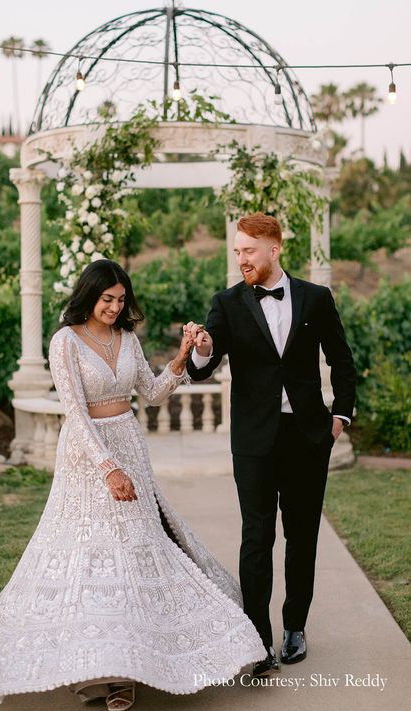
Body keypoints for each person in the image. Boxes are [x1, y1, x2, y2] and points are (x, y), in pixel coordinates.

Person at [0, 259, 266, 708]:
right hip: (87, 457)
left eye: (120, 300)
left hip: (130, 445)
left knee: (134, 551)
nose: (114, 307)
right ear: (88, 296)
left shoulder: (128, 338)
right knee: (90, 555)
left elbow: (150, 394)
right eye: (107, 299)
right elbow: (74, 411)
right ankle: (98, 667)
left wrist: (181, 357)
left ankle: (124, 666)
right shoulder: (65, 342)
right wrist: (107, 467)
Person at [185, 213, 356, 677]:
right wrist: (201, 346)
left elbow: (341, 360)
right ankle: (256, 641)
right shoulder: (227, 303)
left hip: (307, 437)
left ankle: (295, 628)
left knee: (302, 537)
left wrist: (339, 417)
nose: (241, 258)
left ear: (274, 249)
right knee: (256, 538)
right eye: (237, 251)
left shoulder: (316, 299)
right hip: (254, 441)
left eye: (248, 250)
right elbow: (202, 366)